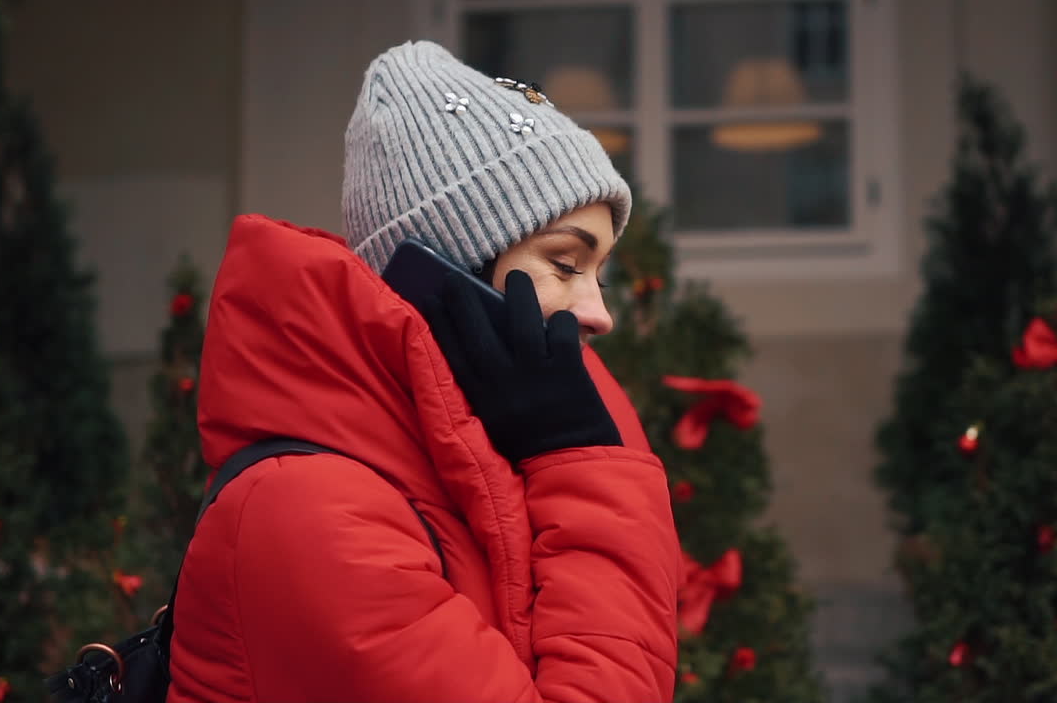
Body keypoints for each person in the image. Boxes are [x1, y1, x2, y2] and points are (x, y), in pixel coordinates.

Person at [166, 40, 681, 702]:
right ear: (438, 277)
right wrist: (582, 462)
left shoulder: (491, 453)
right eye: (564, 264)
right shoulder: (309, 512)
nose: (599, 313)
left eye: (599, 275)